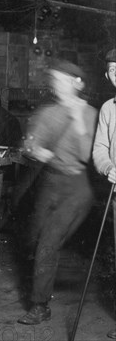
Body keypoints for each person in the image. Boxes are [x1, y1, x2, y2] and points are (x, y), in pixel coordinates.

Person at [17, 59, 98, 325]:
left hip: (77, 186)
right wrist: (34, 150)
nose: (57, 85)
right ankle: (48, 281)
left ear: (78, 84)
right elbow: (28, 145)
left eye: (63, 80)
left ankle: (40, 306)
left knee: (47, 244)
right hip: (50, 182)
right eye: (54, 80)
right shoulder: (47, 113)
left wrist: (77, 120)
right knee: (33, 241)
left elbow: (89, 157)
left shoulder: (90, 114)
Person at [91, 49, 116, 340]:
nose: (115, 75)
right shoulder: (108, 108)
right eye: (111, 70)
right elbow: (99, 148)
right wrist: (107, 166)